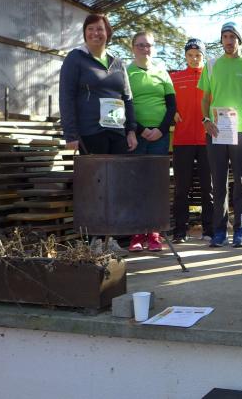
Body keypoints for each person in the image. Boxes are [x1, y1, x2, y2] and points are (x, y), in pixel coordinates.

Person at [59, 14, 137, 256]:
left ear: (107, 33)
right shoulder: (75, 58)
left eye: (100, 29)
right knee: (96, 186)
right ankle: (94, 239)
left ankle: (110, 238)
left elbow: (128, 98)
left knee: (114, 186)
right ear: (84, 33)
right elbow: (66, 96)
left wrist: (131, 129)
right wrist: (70, 133)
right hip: (90, 131)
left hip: (117, 132)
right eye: (90, 29)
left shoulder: (117, 62)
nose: (95, 33)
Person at [198, 21, 242, 248]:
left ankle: (240, 231)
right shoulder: (211, 64)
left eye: (232, 37)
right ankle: (219, 232)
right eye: (225, 37)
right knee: (218, 182)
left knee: (241, 182)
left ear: (239, 39)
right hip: (217, 130)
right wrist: (205, 120)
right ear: (221, 40)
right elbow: (205, 98)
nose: (229, 41)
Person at [125, 31, 176, 252]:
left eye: (149, 45)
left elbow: (172, 106)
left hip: (160, 138)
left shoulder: (162, 72)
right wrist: (140, 129)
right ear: (132, 47)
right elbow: (124, 105)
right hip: (136, 136)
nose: (145, 49)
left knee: (156, 184)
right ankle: (137, 233)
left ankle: (154, 233)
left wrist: (160, 130)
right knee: (136, 184)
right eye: (140, 45)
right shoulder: (126, 73)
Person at [170, 39, 214, 243]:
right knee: (182, 189)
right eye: (190, 55)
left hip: (207, 139)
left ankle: (209, 230)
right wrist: (172, 111)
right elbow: (166, 99)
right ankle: (180, 231)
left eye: (198, 55)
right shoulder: (175, 78)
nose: (194, 59)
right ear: (185, 56)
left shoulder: (211, 76)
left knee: (208, 188)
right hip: (183, 140)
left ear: (203, 56)